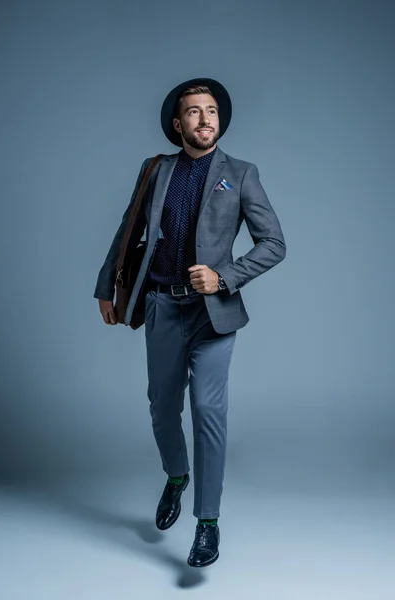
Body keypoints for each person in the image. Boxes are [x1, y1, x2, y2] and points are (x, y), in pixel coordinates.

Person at [93, 77, 286, 567]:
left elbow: (274, 245)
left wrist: (223, 277)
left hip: (213, 316)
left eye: (212, 111)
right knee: (162, 408)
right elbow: (128, 228)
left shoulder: (241, 173)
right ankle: (176, 477)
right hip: (160, 304)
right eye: (195, 112)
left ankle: (207, 524)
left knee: (207, 412)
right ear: (177, 124)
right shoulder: (155, 170)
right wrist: (104, 287)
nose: (206, 118)